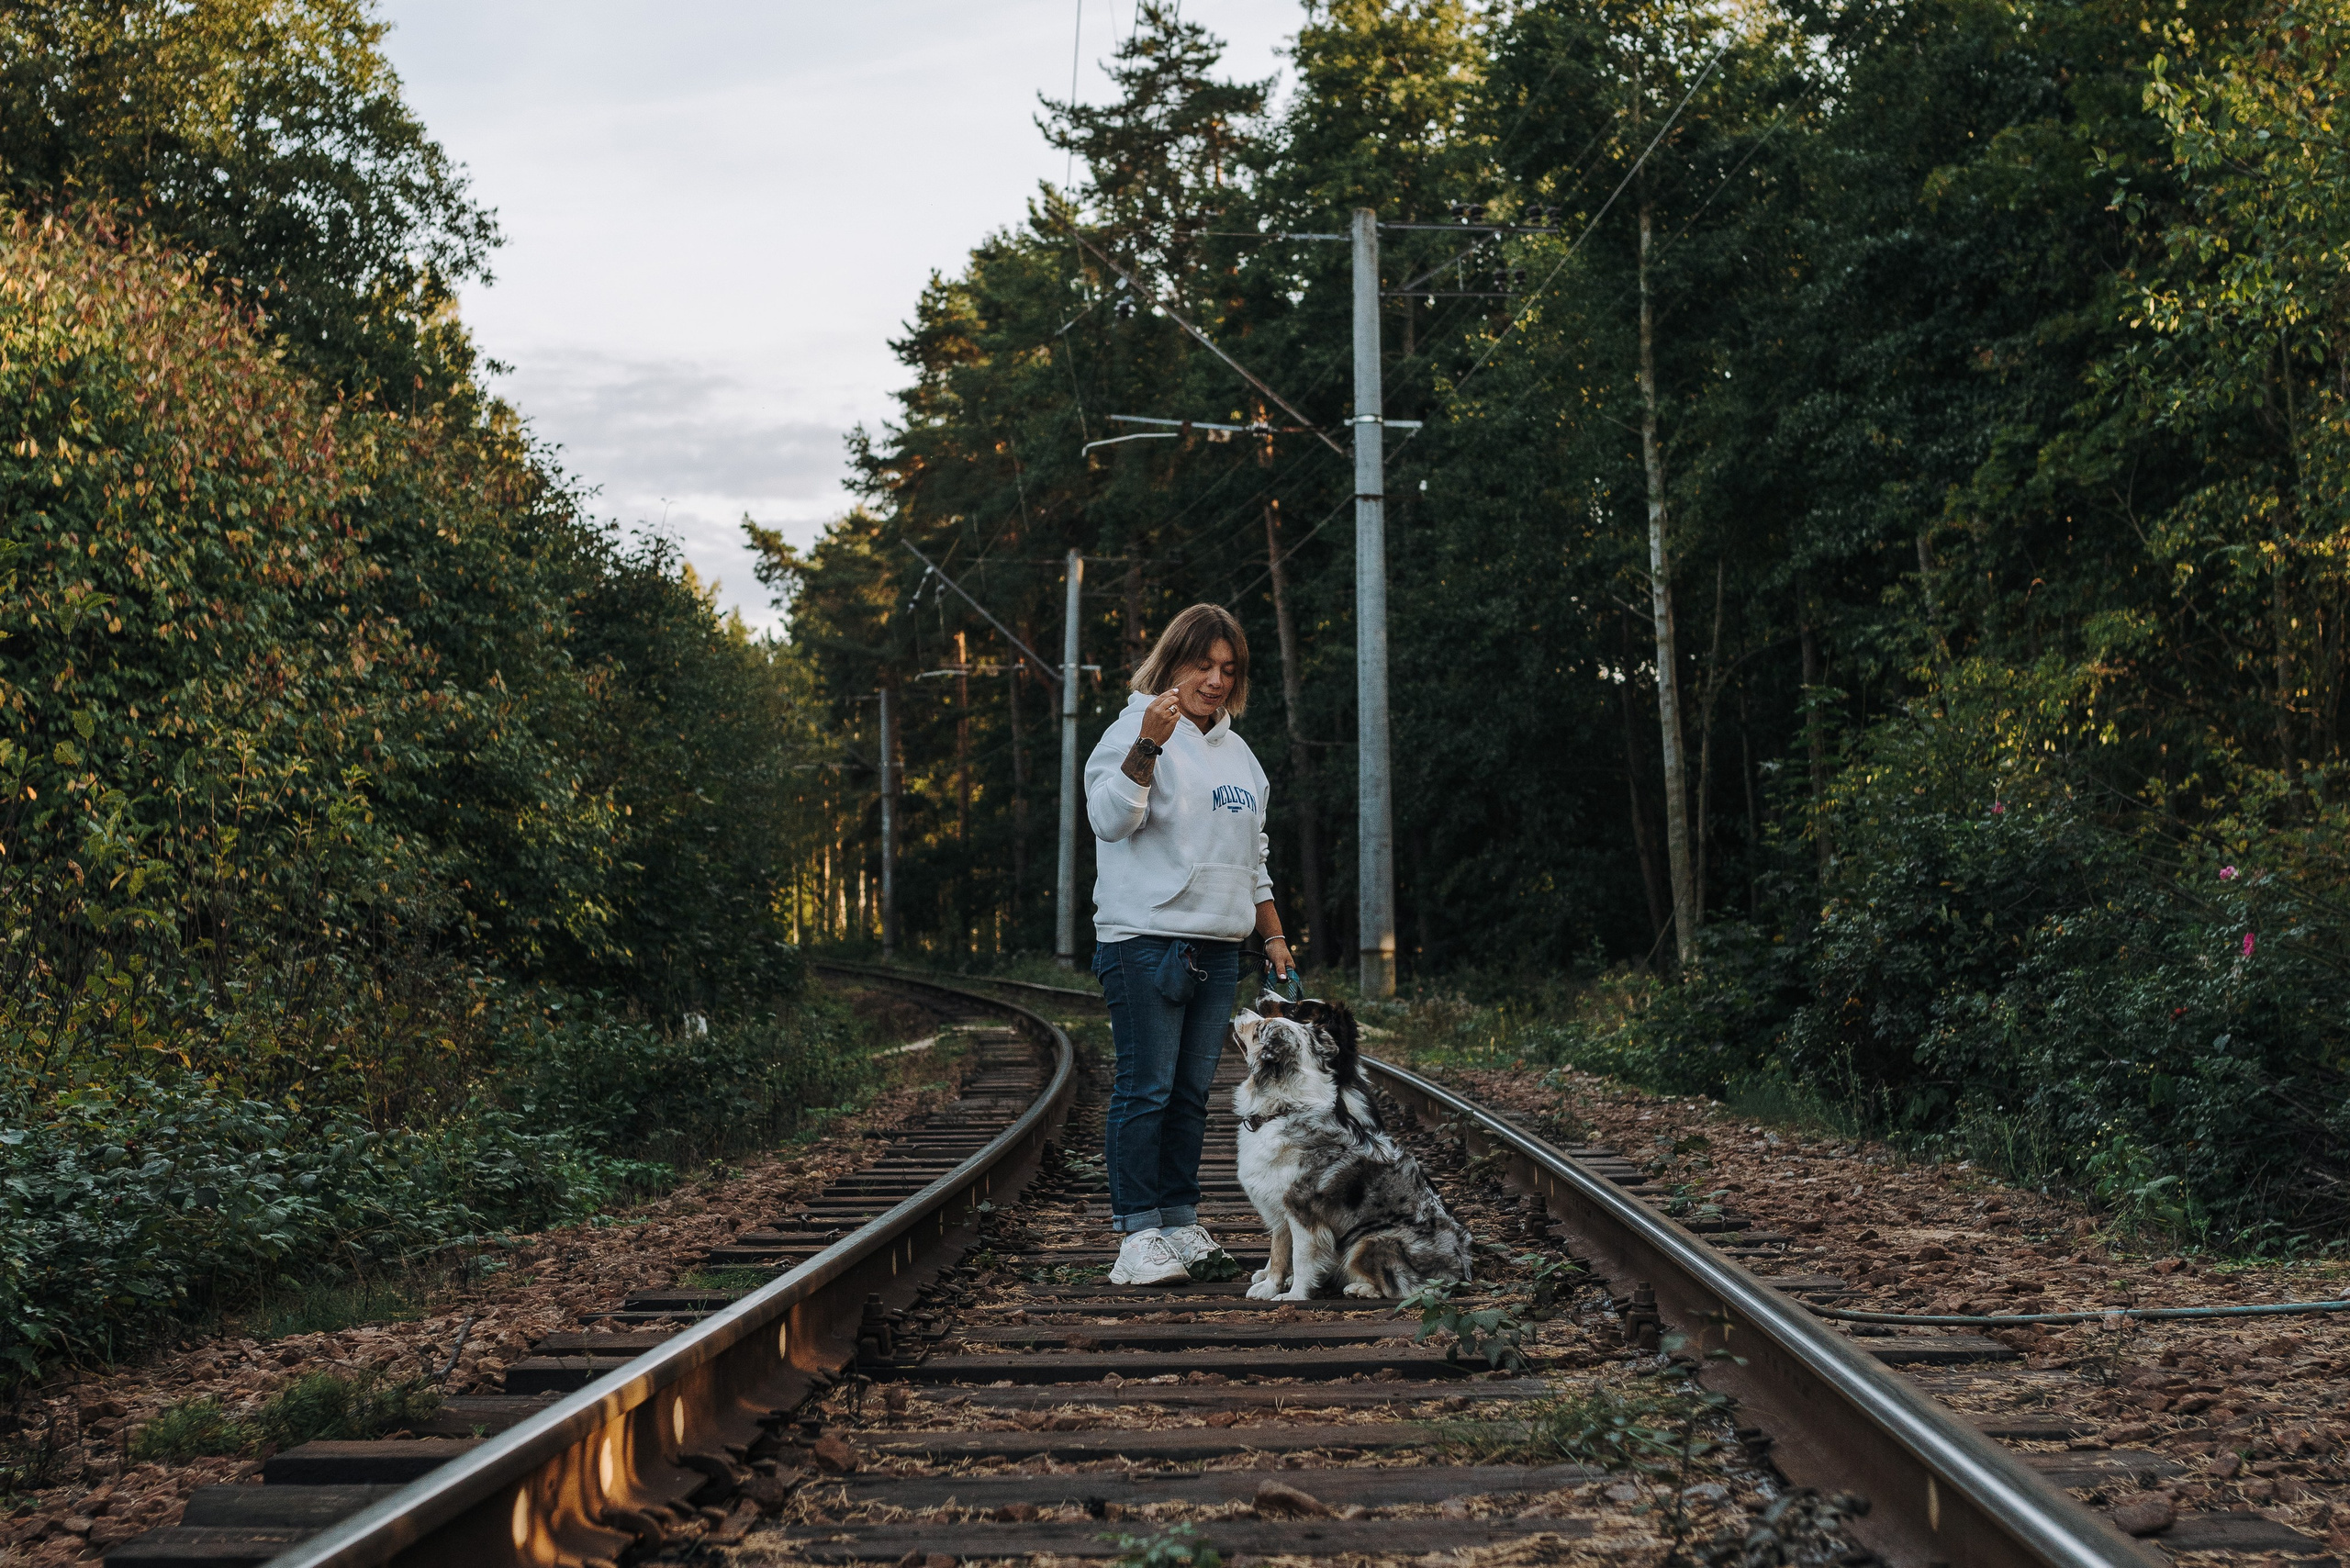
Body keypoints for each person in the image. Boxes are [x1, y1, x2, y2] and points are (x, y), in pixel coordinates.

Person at [1085, 603, 1296, 1286]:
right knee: (1144, 1089)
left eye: (1227, 669)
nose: (1214, 680)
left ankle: (1178, 1221)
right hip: (1145, 940)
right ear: (1173, 662)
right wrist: (1147, 745)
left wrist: (1274, 936)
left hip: (1218, 945)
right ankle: (1136, 1235)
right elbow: (1109, 820)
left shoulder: (1240, 756)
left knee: (1188, 1095)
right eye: (1202, 665)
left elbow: (1252, 855)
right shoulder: (1131, 728)